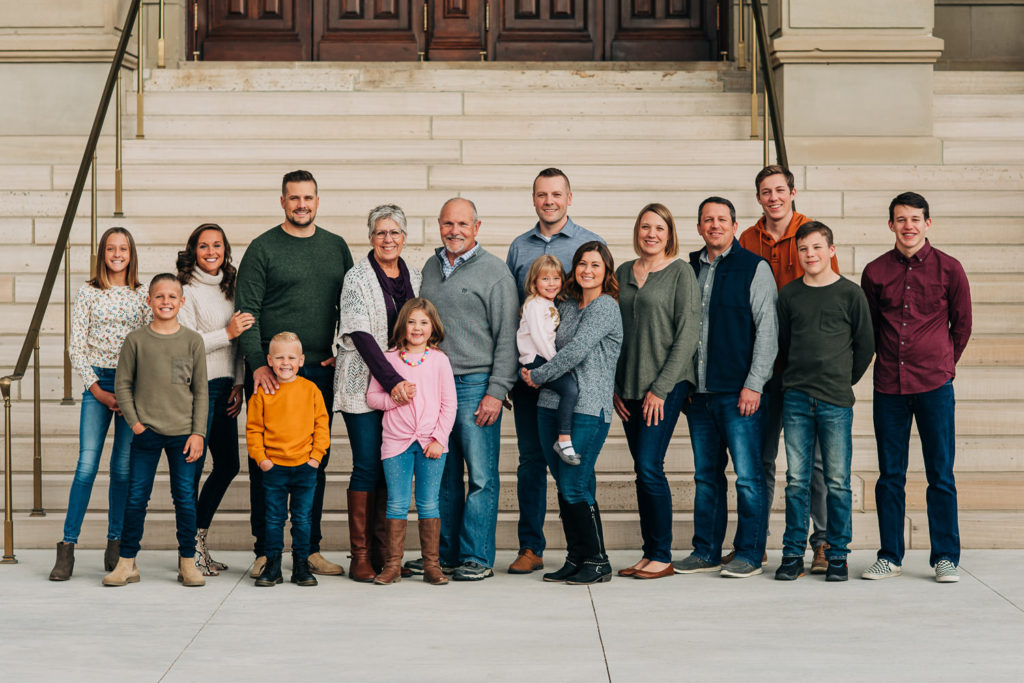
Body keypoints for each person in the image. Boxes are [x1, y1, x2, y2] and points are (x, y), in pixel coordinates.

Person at [235, 170, 353, 579]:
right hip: (272, 372)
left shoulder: (336, 247)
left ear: (318, 201)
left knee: (312, 460)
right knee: (263, 461)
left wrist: (344, 351)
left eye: (309, 198)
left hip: (319, 371)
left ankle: (310, 550)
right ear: (282, 201)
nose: (302, 204)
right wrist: (259, 364)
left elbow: (351, 307)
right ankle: (265, 551)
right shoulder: (263, 248)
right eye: (294, 198)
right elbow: (246, 313)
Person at [860, 192, 972, 583]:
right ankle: (889, 555)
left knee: (940, 473)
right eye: (900, 219)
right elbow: (870, 329)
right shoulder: (874, 272)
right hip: (889, 384)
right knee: (890, 474)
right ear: (890, 225)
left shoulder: (950, 269)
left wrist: (942, 364)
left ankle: (945, 557)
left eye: (915, 218)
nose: (908, 225)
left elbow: (962, 326)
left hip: (934, 385)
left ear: (928, 223)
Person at [736, 165, 841, 572]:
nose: (773, 197)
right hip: (760, 370)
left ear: (793, 192)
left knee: (814, 463)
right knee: (760, 461)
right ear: (758, 197)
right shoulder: (746, 239)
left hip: (802, 370)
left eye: (780, 190)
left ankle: (823, 543)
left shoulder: (811, 235)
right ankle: (755, 543)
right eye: (766, 191)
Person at [412, 197, 518, 581]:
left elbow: (508, 337)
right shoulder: (430, 266)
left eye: (462, 224)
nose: (454, 231)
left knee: (482, 477)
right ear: (439, 225)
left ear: (477, 227)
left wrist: (496, 389)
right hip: (435, 385)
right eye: (447, 224)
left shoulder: (495, 273)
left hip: (476, 385)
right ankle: (445, 554)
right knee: (442, 474)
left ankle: (477, 557)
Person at [505, 167, 604, 575]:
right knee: (531, 461)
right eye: (542, 194)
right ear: (534, 199)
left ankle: (585, 548)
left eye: (556, 194)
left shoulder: (586, 245)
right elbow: (517, 315)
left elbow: (599, 307)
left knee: (577, 464)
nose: (549, 201)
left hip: (572, 378)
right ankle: (531, 546)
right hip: (531, 376)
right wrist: (518, 371)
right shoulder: (518, 247)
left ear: (569, 197)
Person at [673, 197, 777, 579]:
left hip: (740, 395)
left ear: (735, 225)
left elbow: (768, 331)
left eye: (721, 219)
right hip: (699, 395)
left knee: (748, 477)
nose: (714, 225)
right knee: (706, 476)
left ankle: (750, 552)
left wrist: (754, 384)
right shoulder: (687, 270)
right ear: (699, 228)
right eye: (707, 220)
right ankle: (706, 551)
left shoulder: (754, 267)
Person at [774, 221, 874, 582]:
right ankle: (791, 554)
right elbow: (783, 346)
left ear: (831, 250)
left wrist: (841, 381)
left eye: (817, 247)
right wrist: (794, 382)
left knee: (837, 481)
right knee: (797, 480)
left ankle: (837, 554)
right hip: (797, 399)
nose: (810, 255)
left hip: (835, 402)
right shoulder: (789, 295)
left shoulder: (850, 294)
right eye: (803, 249)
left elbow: (865, 346)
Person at [49, 227, 150, 581]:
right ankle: (67, 547)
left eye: (123, 248)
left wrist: (130, 392)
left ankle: (116, 545)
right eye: (111, 248)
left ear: (131, 253)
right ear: (102, 253)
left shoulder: (142, 295)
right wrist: (97, 389)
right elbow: (76, 346)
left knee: (122, 468)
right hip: (97, 384)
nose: (117, 253)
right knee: (87, 465)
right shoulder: (89, 291)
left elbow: (148, 343)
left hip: (131, 386)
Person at [523, 241, 622, 585]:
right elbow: (541, 342)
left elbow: (576, 351)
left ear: (606, 271)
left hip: (587, 409)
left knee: (575, 485)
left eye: (595, 265)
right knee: (565, 485)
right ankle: (576, 556)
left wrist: (537, 375)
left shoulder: (605, 307)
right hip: (550, 406)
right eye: (582, 263)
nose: (587, 270)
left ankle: (598, 560)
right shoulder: (564, 305)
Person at [333, 204, 421, 582]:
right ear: (371, 237)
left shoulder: (415, 275)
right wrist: (392, 381)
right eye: (381, 232)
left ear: (404, 237)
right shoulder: (356, 277)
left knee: (391, 467)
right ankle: (361, 555)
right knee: (368, 464)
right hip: (362, 384)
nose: (388, 239)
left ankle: (387, 551)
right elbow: (362, 337)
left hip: (400, 390)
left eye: (395, 232)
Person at [613, 204, 700, 580]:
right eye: (645, 227)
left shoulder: (681, 273)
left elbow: (687, 335)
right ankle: (649, 553)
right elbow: (612, 332)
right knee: (641, 470)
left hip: (666, 385)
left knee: (650, 466)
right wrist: (614, 385)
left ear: (670, 233)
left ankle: (662, 555)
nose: (651, 233)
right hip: (628, 386)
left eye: (659, 228)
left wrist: (661, 389)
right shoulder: (621, 272)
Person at [104, 274, 208, 588]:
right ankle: (127, 562)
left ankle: (188, 562)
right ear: (148, 301)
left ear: (181, 302)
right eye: (159, 296)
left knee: (185, 499)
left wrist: (198, 433)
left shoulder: (192, 341)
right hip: (146, 432)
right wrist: (136, 425)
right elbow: (122, 385)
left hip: (183, 435)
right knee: (136, 499)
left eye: (172, 297)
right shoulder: (137, 340)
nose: (165, 302)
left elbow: (201, 391)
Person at [177, 223, 253, 576]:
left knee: (228, 464)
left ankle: (198, 537)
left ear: (225, 249)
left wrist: (238, 383)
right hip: (196, 388)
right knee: (191, 470)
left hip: (225, 388)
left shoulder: (231, 286)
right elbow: (186, 344)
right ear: (193, 250)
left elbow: (239, 344)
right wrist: (227, 332)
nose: (211, 251)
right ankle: (188, 552)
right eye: (204, 245)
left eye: (217, 245)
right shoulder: (185, 290)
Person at [366, 299, 457, 586]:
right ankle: (392, 565)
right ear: (402, 326)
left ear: (433, 327)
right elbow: (372, 398)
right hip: (396, 443)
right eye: (412, 322)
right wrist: (394, 398)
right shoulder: (389, 359)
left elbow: (449, 404)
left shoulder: (439, 360)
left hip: (431, 444)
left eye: (424, 322)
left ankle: (432, 565)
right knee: (396, 502)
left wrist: (439, 439)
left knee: (429, 502)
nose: (417, 328)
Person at [247, 332, 330, 587]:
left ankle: (301, 565)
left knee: (303, 518)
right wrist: (261, 459)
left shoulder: (311, 390)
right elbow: (253, 430)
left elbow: (322, 427)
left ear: (301, 360)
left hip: (305, 467)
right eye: (280, 357)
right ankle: (272, 565)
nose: (286, 362)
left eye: (291, 357)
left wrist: (316, 458)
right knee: (273, 519)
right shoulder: (263, 392)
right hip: (274, 467)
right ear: (269, 360)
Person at [516, 254, 580, 465]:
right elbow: (540, 338)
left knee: (568, 390)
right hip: (537, 359)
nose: (551, 284)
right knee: (570, 389)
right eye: (545, 279)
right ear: (534, 281)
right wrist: (557, 366)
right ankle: (563, 439)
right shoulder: (535, 305)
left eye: (556, 278)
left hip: (544, 359)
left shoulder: (549, 304)